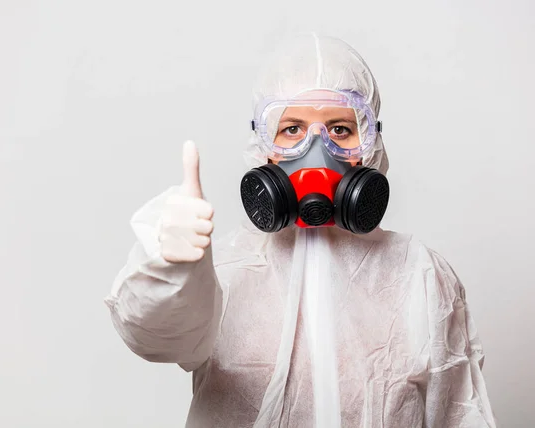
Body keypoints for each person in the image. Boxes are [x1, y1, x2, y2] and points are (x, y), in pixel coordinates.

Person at [104, 33, 496, 427]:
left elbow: (458, 413)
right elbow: (154, 337)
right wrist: (169, 270)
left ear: (371, 143)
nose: (316, 148)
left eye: (340, 130)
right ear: (264, 144)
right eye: (292, 129)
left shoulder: (419, 275)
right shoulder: (224, 269)